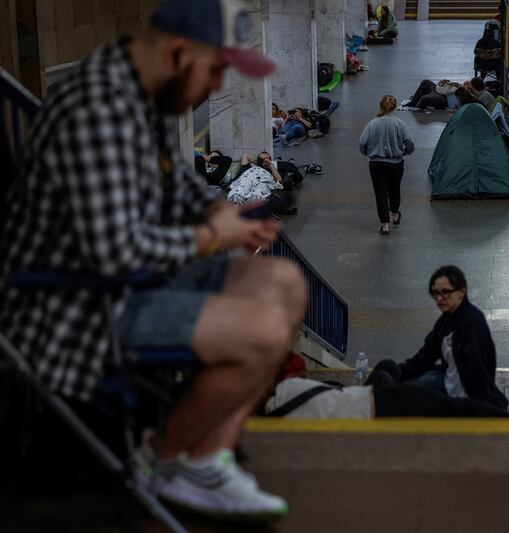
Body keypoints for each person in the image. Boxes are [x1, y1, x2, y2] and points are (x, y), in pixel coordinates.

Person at [0, 0, 304, 520]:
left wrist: (224, 215)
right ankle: (164, 463)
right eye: (213, 71)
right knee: (262, 329)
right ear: (178, 52)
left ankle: (203, 459)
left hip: (134, 281)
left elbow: (179, 186)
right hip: (75, 309)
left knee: (286, 283)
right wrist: (211, 235)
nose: (214, 88)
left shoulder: (145, 98)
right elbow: (112, 252)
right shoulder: (95, 111)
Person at [373, 266, 508, 409]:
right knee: (387, 367)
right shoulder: (446, 320)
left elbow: (476, 374)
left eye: (445, 292)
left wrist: (484, 407)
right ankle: (368, 401)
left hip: (462, 396)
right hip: (446, 379)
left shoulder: (472, 322)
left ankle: (371, 406)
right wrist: (401, 371)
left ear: (462, 291)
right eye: (435, 293)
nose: (439, 298)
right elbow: (426, 355)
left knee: (407, 390)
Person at [264, 376, 509, 419]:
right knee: (460, 408)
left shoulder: (278, 425)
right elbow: (331, 386)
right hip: (386, 402)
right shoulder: (289, 388)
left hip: (377, 402)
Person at [358, 95, 415, 235]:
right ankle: (395, 214)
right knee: (394, 189)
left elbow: (362, 143)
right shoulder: (399, 123)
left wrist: (368, 153)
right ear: (394, 107)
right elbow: (409, 142)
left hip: (376, 163)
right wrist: (405, 152)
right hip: (396, 163)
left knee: (380, 193)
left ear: (381, 106)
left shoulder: (373, 123)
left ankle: (385, 225)